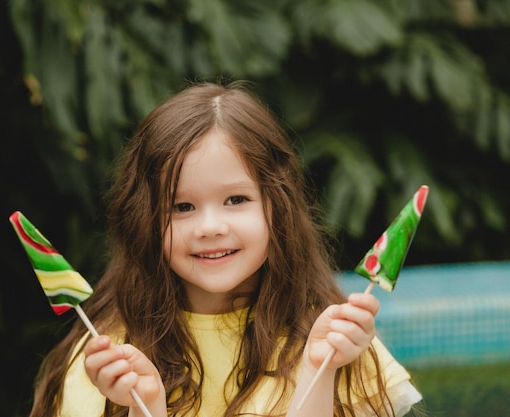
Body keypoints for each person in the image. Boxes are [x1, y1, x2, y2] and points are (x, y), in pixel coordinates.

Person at [28, 81, 422, 417]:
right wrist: (143, 406)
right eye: (182, 207)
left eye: (236, 199)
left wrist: (318, 368)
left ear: (277, 205)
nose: (211, 227)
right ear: (144, 220)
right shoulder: (107, 357)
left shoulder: (338, 343)